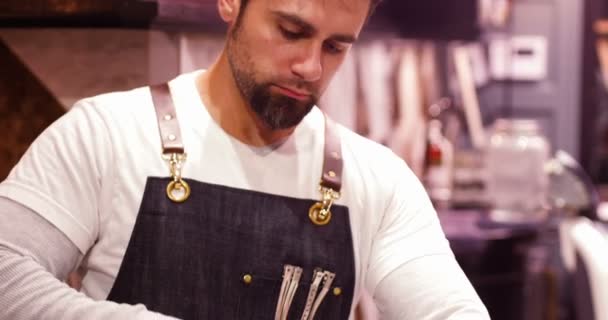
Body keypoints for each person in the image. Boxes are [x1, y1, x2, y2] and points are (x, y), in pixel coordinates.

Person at [0, 0, 490, 319]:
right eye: (291, 30)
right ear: (232, 3)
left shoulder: (377, 180)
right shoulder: (107, 134)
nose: (311, 67)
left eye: (336, 47)